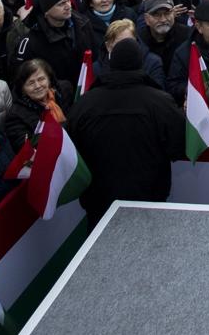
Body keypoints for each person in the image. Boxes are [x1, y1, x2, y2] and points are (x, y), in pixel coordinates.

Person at [65, 38, 183, 213]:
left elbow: (71, 148)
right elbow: (178, 146)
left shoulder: (85, 103)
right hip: (149, 195)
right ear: (140, 63)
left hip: (99, 198)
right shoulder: (160, 102)